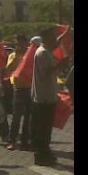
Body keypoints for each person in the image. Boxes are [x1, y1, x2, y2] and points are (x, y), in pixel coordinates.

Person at [31, 26, 72, 166]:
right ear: (46, 38)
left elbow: (55, 44)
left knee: (46, 128)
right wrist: (62, 63)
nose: (55, 38)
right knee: (43, 129)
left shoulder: (46, 50)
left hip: (47, 96)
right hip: (44, 98)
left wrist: (65, 34)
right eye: (52, 36)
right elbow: (46, 72)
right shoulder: (42, 53)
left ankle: (44, 153)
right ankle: (41, 156)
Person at [5, 35, 32, 151]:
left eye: (22, 43)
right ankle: (12, 140)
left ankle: (25, 141)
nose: (20, 46)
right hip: (19, 88)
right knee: (16, 116)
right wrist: (17, 57)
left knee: (28, 117)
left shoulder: (30, 56)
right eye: (18, 44)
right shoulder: (12, 55)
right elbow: (8, 68)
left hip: (30, 88)